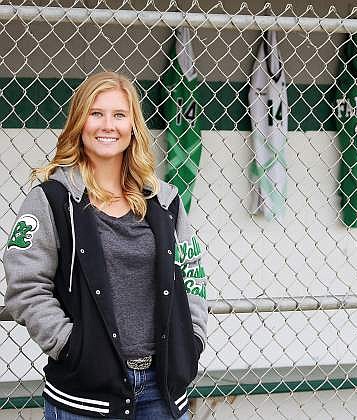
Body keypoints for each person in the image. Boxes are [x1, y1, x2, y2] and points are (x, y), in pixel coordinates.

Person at [3, 71, 208, 419]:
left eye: (119, 115)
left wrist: (193, 341)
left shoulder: (163, 201)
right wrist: (73, 348)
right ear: (80, 123)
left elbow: (191, 276)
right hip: (86, 396)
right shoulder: (53, 199)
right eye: (96, 114)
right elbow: (26, 286)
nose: (107, 125)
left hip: (163, 391)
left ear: (133, 127)